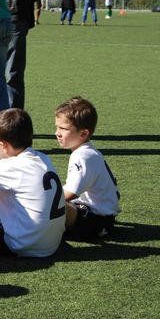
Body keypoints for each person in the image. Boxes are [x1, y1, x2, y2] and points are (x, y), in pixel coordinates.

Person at [0, 109, 66, 257]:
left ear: (3, 145)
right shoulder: (43, 158)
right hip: (52, 244)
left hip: (21, 246)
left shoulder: (10, 166)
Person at [54, 97, 120, 238]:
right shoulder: (88, 151)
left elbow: (70, 193)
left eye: (63, 128)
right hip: (98, 215)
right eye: (57, 127)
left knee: (50, 205)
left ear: (83, 134)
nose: (57, 133)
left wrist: (41, 198)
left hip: (96, 220)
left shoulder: (82, 156)